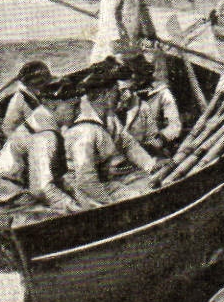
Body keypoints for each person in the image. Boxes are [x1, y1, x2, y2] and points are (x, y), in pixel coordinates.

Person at [0, 76, 86, 215]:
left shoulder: (42, 121)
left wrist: (80, 196)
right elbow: (41, 188)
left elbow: (56, 176)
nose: (79, 112)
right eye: (74, 106)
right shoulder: (45, 135)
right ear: (53, 106)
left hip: (16, 194)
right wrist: (75, 207)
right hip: (10, 201)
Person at [65, 64, 159, 207]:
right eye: (116, 92)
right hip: (81, 189)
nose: (120, 97)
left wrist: (150, 166)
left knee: (149, 186)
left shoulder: (108, 117)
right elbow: (85, 179)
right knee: (137, 199)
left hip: (103, 181)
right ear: (105, 95)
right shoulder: (84, 129)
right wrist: (110, 204)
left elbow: (127, 144)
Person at [119, 53, 182, 156]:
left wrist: (160, 139)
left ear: (144, 74)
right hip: (131, 148)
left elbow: (175, 126)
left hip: (155, 147)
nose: (133, 77)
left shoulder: (162, 93)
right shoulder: (129, 93)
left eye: (136, 73)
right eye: (131, 74)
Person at [0, 60, 53, 138]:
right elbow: (40, 125)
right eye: (43, 84)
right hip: (17, 138)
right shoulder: (24, 99)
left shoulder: (25, 93)